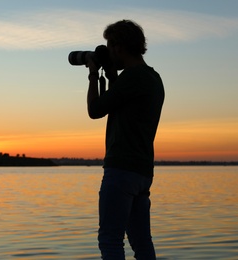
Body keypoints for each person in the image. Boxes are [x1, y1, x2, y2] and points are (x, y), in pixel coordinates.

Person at [86, 20, 165, 259]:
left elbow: (96, 109)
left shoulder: (133, 77)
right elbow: (121, 103)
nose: (108, 52)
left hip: (121, 170)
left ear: (119, 47)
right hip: (142, 172)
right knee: (141, 243)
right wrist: (111, 76)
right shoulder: (152, 78)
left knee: (110, 240)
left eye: (110, 46)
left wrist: (92, 75)